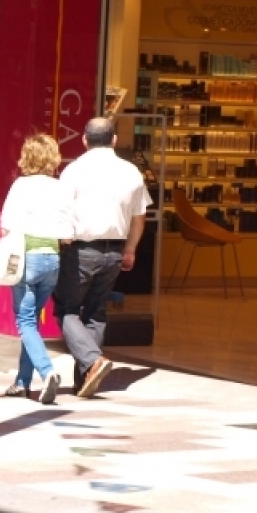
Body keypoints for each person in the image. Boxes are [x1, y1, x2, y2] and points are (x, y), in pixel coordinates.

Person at [56, 116, 151, 398]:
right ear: (114, 140)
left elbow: (62, 213)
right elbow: (139, 217)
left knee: (66, 309)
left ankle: (93, 361)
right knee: (96, 312)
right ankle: (86, 379)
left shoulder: (73, 171)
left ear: (84, 139)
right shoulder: (131, 171)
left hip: (80, 250)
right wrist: (131, 249)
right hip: (114, 250)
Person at [0, 134, 73, 404]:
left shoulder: (20, 186)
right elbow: (68, 233)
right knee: (31, 324)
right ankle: (21, 382)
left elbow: (5, 227)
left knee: (25, 322)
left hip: (27, 260)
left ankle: (48, 371)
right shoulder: (60, 187)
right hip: (52, 260)